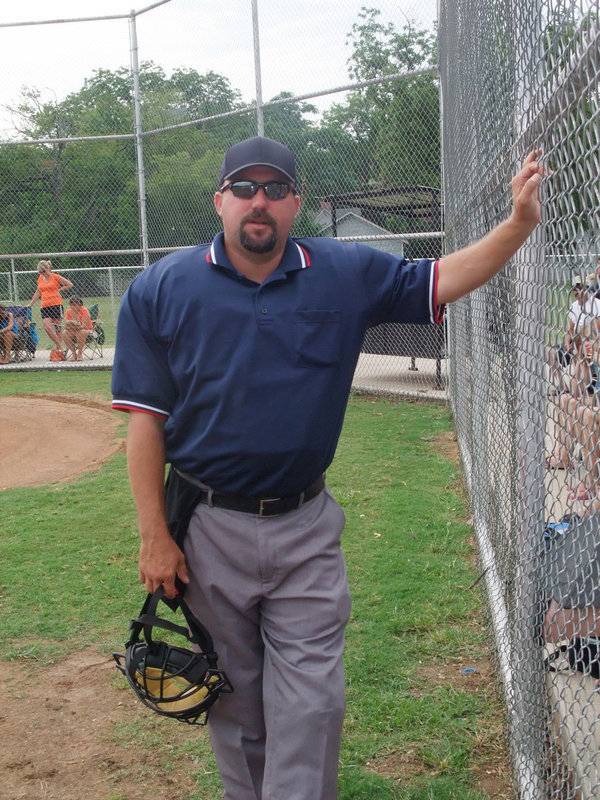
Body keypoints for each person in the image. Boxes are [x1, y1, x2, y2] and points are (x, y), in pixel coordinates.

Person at [111, 136, 545, 800]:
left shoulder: (343, 272)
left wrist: (516, 226)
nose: (261, 202)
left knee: (312, 706)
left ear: (296, 203)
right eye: (246, 188)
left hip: (305, 525)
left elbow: (442, 277)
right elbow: (146, 421)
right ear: (220, 201)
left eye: (276, 189)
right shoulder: (163, 288)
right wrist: (153, 536)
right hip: (205, 529)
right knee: (236, 704)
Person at [27, 259, 73, 356]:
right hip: (45, 306)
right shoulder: (40, 279)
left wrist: (60, 290)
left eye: (44, 271)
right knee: (47, 326)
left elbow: (69, 284)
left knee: (57, 328)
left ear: (49, 268)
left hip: (56, 305)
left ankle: (58, 350)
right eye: (40, 272)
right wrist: (31, 304)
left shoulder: (55, 277)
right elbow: (38, 292)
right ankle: (61, 347)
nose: (43, 273)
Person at [63, 296, 93, 361]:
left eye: (75, 304)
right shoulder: (68, 311)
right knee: (64, 333)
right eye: (71, 304)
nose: (73, 306)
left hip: (86, 330)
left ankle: (80, 353)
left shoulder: (84, 310)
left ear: (80, 304)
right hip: (73, 330)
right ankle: (74, 353)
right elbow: (66, 325)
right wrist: (71, 324)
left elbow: (84, 326)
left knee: (81, 332)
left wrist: (72, 325)